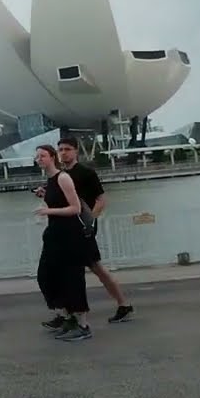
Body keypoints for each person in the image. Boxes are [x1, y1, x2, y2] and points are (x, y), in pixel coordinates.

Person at [57, 136, 135, 323]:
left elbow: (101, 200)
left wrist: (89, 222)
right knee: (70, 269)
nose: (63, 153)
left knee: (94, 267)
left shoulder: (86, 173)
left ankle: (122, 305)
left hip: (84, 227)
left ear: (76, 151)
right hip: (68, 228)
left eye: (67, 149)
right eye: (60, 150)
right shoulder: (61, 175)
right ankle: (67, 312)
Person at [32, 145, 92, 342]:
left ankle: (83, 325)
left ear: (52, 158)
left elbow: (74, 208)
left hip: (70, 234)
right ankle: (67, 317)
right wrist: (45, 196)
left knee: (73, 278)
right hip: (54, 234)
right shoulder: (51, 181)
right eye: (37, 156)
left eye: (43, 156)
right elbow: (58, 201)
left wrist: (48, 211)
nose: (39, 159)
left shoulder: (63, 177)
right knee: (46, 276)